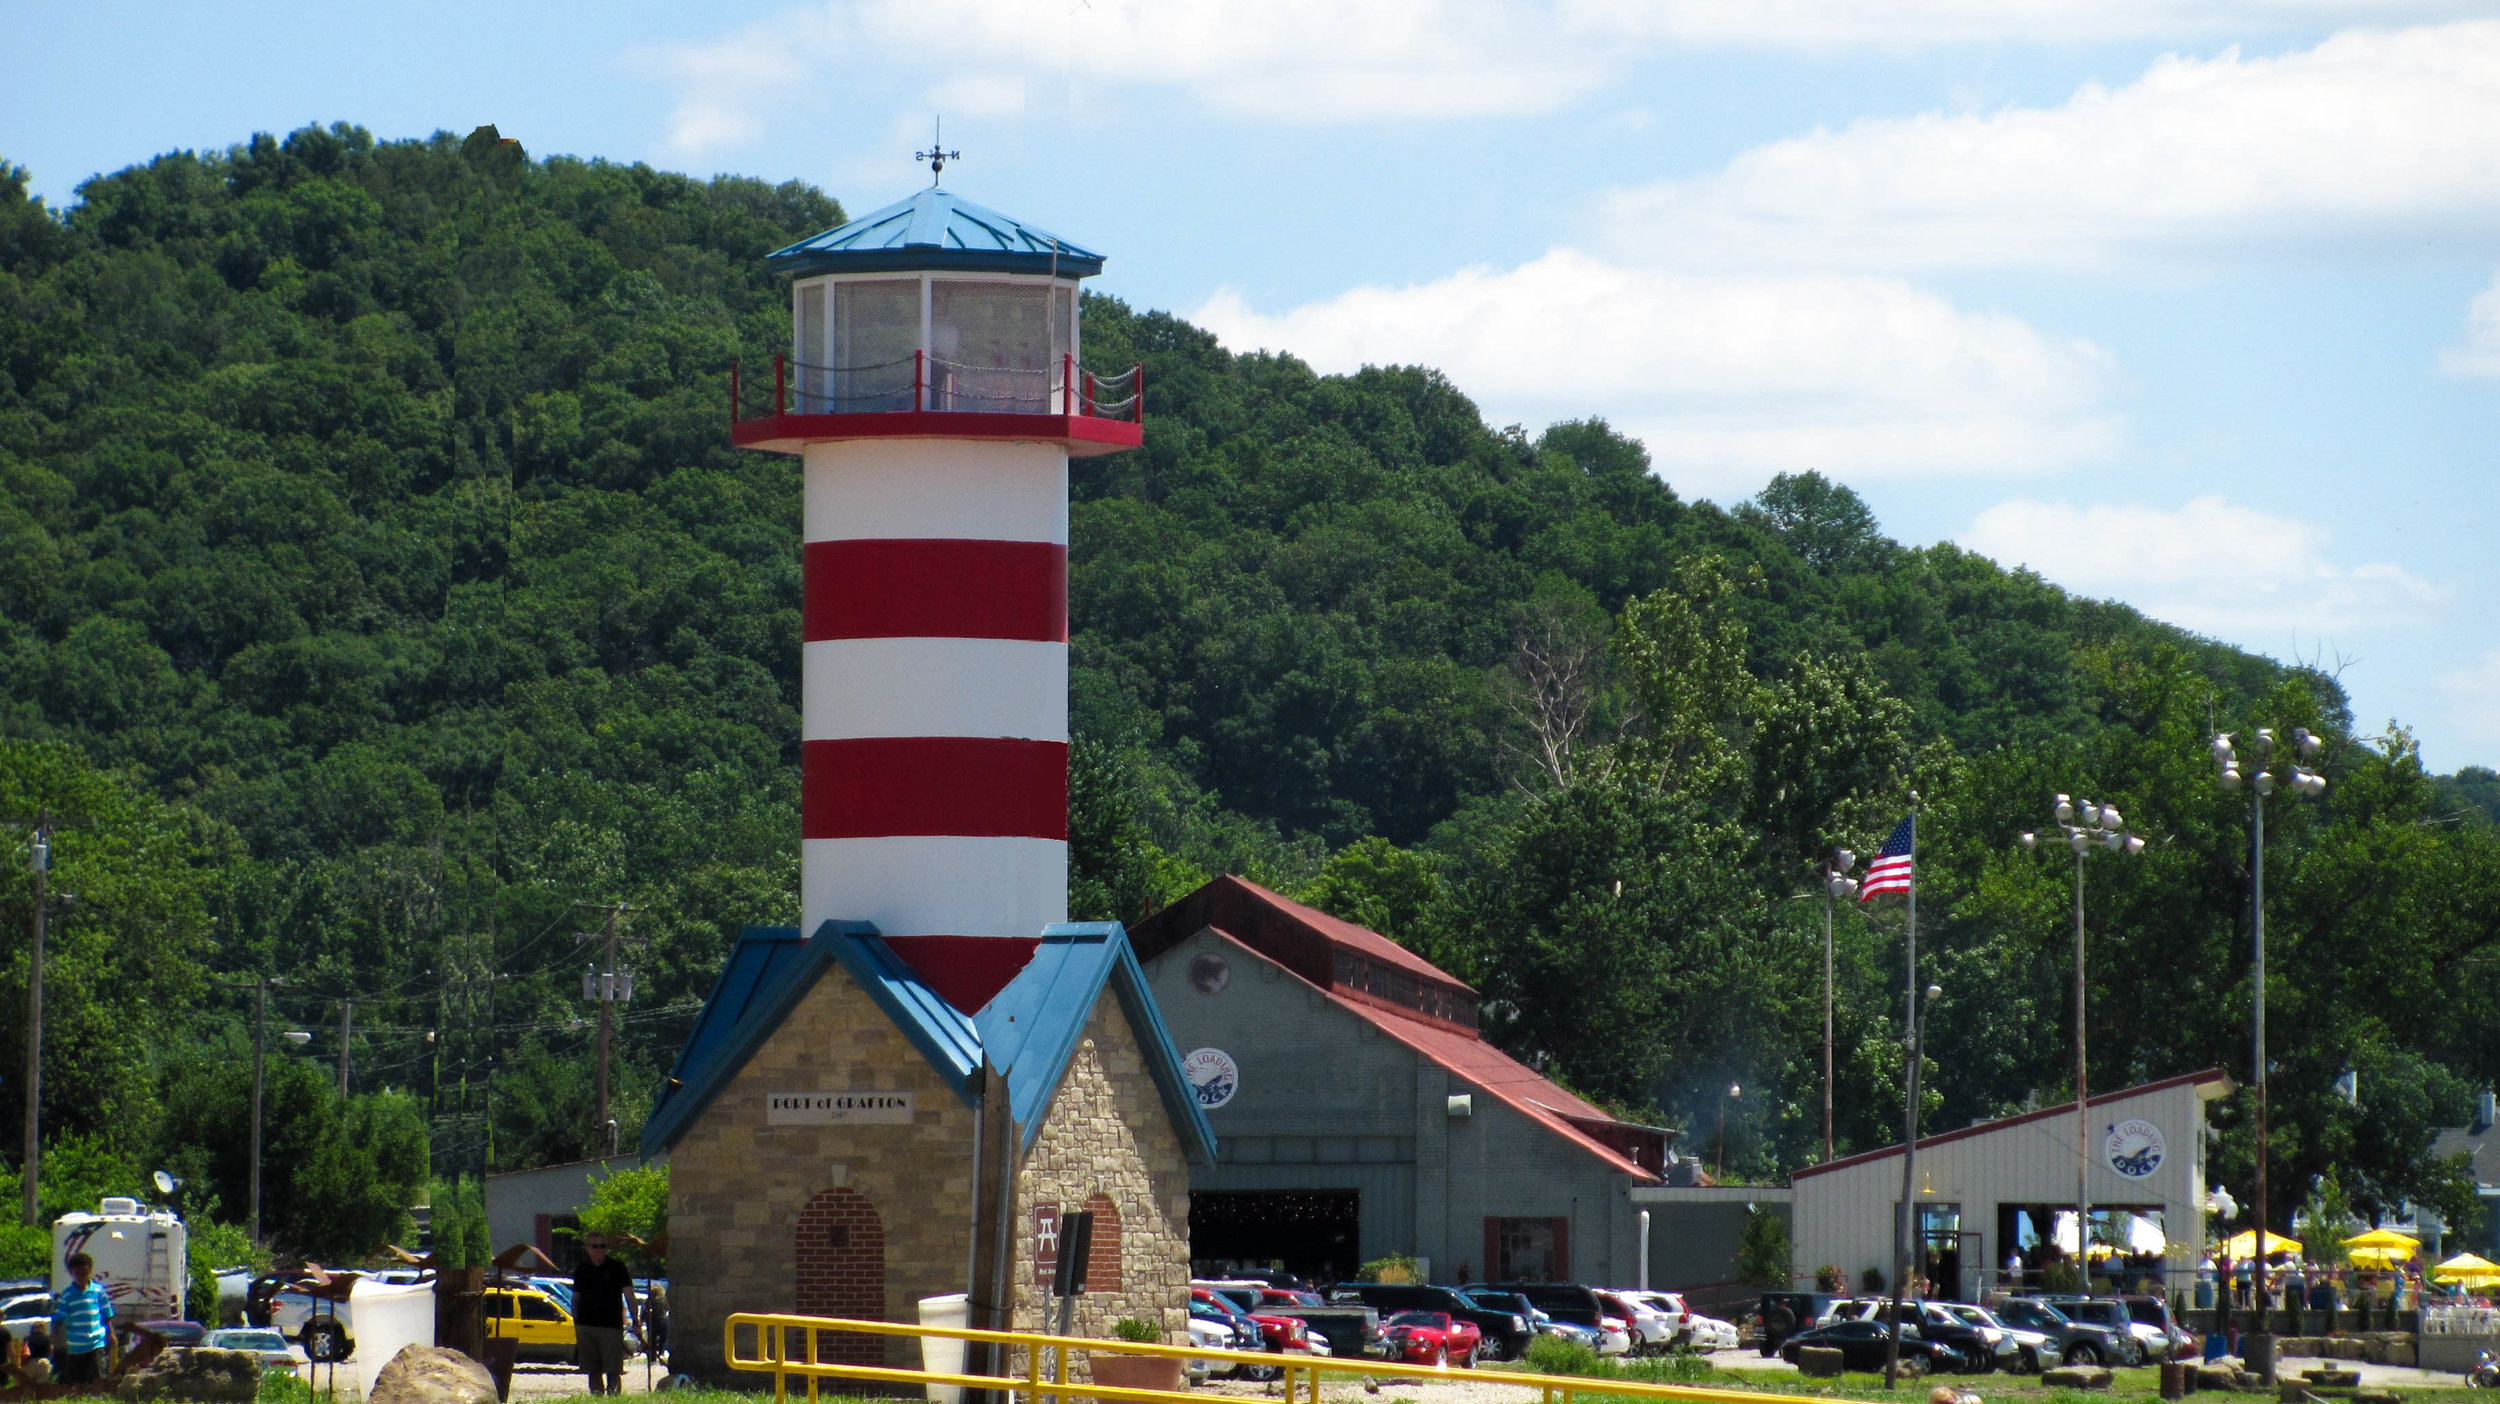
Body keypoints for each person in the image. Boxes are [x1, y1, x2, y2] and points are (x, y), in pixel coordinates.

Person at [571, 1233, 642, 1396]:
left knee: (613, 1369)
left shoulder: (617, 1267)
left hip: (611, 1326)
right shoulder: (582, 1268)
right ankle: (597, 1399)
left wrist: (635, 1321)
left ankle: (614, 1399)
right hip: (586, 1325)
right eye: (595, 1246)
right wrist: (576, 1322)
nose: (600, 1250)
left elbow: (629, 1295)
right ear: (587, 1248)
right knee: (592, 1370)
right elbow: (576, 1298)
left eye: (603, 1246)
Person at [52, 1251, 114, 1386]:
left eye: (84, 1273)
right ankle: (80, 1396)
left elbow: (107, 1313)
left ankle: (98, 1396)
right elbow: (59, 1317)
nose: (81, 1277)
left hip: (96, 1342)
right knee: (78, 1381)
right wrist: (55, 1334)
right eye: (77, 1274)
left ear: (90, 1271)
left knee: (99, 1377)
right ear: (71, 1273)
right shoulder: (67, 1295)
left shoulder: (98, 1291)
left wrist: (111, 1333)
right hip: (76, 1345)